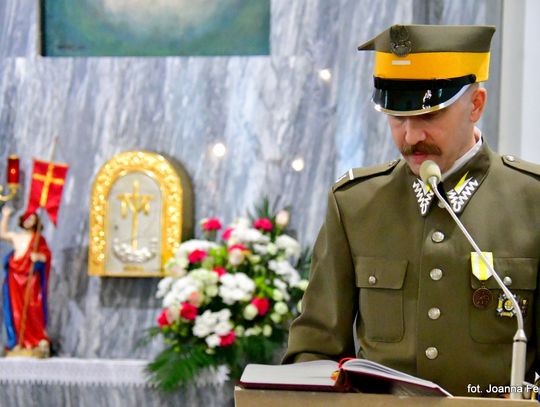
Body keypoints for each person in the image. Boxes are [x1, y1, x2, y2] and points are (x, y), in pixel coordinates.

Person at [283, 24, 540, 397]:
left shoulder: (532, 201)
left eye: (428, 116)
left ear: (476, 105)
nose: (410, 136)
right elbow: (315, 348)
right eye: (397, 117)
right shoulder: (355, 204)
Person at [0, 205, 51, 357]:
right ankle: (17, 341)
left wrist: (39, 257)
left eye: (32, 219)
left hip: (30, 279)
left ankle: (36, 339)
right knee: (15, 309)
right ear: (22, 220)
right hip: (15, 277)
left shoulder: (38, 239)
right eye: (27, 218)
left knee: (32, 307)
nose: (29, 221)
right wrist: (6, 216)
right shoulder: (17, 237)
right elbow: (2, 234)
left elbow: (47, 255)